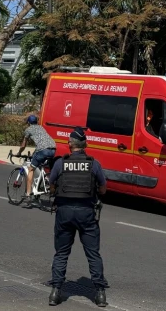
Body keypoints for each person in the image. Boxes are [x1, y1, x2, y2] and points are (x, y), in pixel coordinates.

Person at [47, 127, 109, 307]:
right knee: (93, 254)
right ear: (85, 145)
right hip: (86, 214)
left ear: (69, 145)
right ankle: (100, 294)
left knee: (61, 253)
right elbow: (103, 189)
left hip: (64, 212)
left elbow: (51, 186)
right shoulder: (93, 164)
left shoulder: (60, 163)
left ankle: (55, 292)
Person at [17, 114, 56, 204]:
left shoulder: (28, 130)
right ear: (36, 122)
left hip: (42, 150)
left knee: (31, 169)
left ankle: (27, 194)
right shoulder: (41, 127)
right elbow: (43, 142)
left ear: (28, 123)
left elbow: (23, 145)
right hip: (53, 148)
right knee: (42, 164)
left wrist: (19, 153)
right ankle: (45, 183)